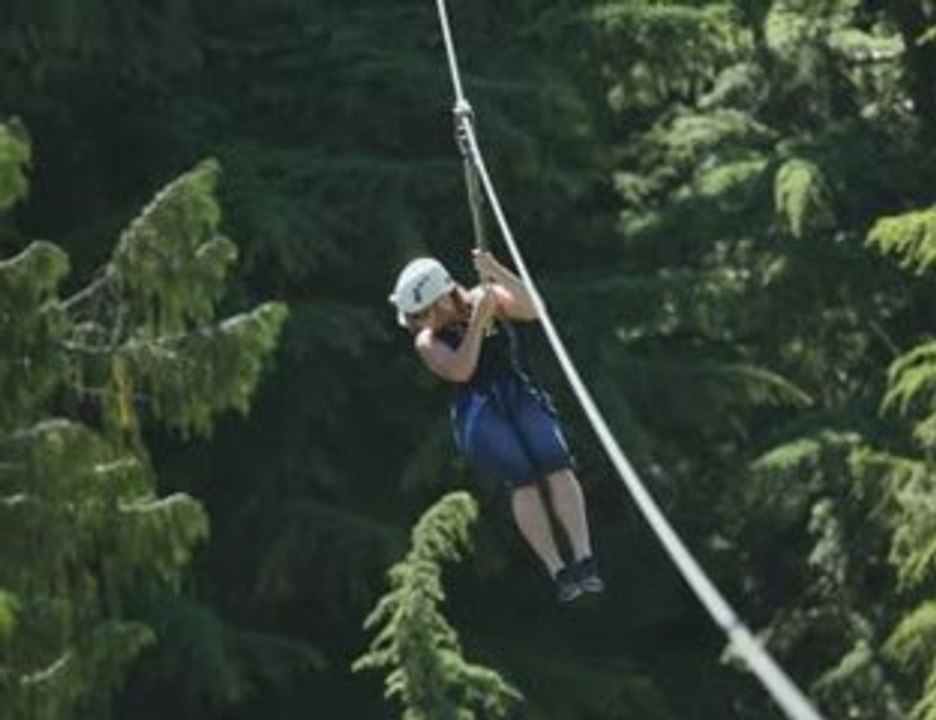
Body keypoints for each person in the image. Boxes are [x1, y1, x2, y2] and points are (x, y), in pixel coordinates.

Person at [389, 249, 604, 602]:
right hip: (479, 409)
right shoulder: (427, 341)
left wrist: (496, 272)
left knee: (555, 465)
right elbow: (461, 370)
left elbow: (535, 309)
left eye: (419, 313)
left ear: (441, 300)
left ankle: (584, 557)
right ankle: (558, 569)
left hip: (518, 392)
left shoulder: (480, 298)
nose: (415, 322)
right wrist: (478, 322)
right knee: (524, 480)